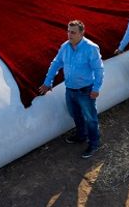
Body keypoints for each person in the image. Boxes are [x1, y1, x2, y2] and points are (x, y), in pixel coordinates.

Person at [39, 20, 104, 159]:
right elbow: (56, 63)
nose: (69, 34)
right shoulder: (65, 47)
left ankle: (94, 143)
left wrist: (96, 88)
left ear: (82, 33)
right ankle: (81, 135)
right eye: (68, 31)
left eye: (73, 32)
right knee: (75, 114)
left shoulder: (91, 48)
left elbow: (99, 70)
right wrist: (47, 81)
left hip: (86, 90)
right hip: (70, 90)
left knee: (90, 118)